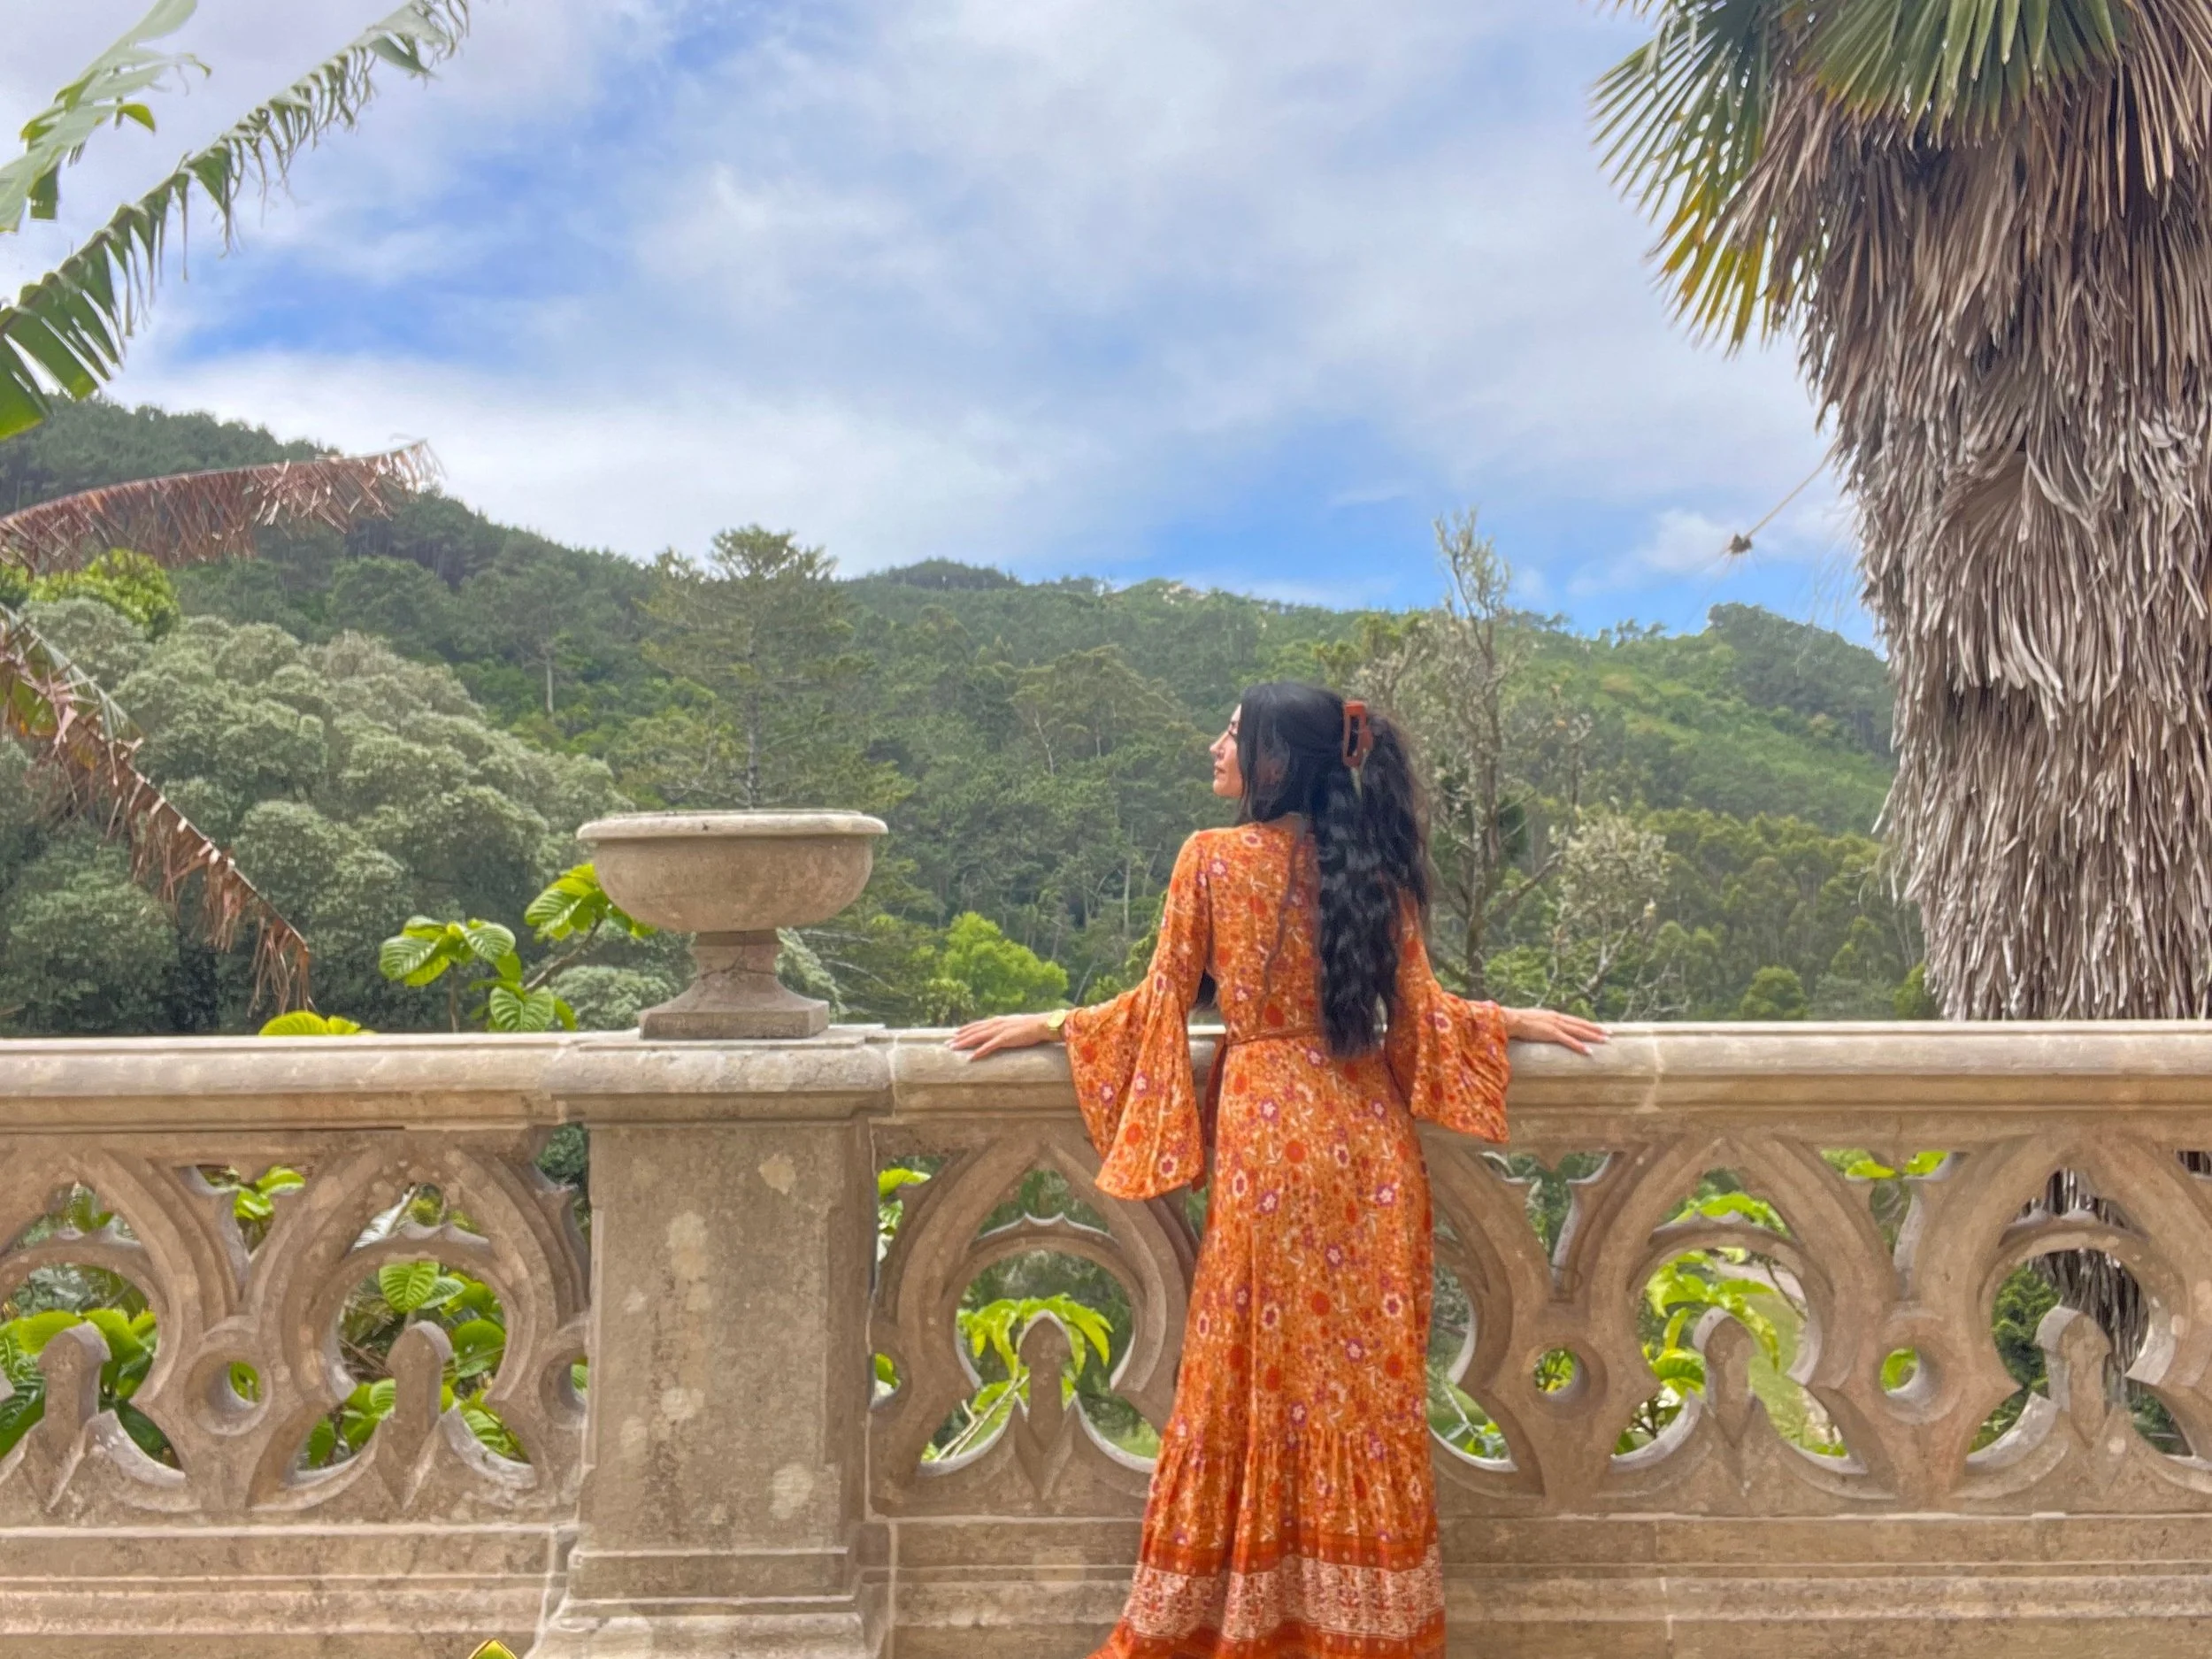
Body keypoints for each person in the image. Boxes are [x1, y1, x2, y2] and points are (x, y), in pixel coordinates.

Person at [950, 681, 1605, 1659]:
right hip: (1367, 1151)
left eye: (1231, 734)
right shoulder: (1369, 868)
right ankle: (1361, 1632)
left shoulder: (1209, 861)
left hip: (1266, 1147)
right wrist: (1505, 1020)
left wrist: (1047, 1024)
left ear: (1271, 762)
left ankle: (1235, 1623)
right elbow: (1424, 1017)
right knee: (1360, 1395)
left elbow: (1156, 1005)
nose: (1212, 745)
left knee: (1247, 1385)